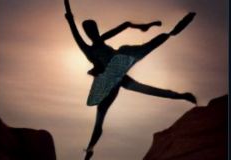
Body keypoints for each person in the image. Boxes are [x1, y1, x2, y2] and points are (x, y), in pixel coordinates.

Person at [64, 0, 196, 159]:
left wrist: (146, 25)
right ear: (87, 33)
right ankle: (90, 150)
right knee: (100, 119)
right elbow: (74, 30)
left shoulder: (103, 38)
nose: (93, 32)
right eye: (89, 30)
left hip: (120, 69)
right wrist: (70, 20)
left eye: (94, 29)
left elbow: (125, 25)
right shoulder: (88, 49)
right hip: (108, 82)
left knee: (145, 54)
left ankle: (176, 31)